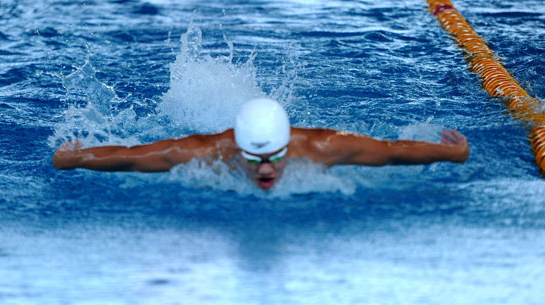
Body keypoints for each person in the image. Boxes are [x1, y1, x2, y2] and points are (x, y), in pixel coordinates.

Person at [53, 98, 469, 190]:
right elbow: (132, 157)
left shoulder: (323, 148)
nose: (265, 169)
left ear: (290, 145)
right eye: (254, 158)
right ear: (238, 147)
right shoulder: (207, 151)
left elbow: (394, 150)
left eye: (275, 157)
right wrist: (72, 159)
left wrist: (455, 152)